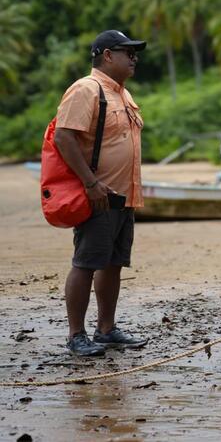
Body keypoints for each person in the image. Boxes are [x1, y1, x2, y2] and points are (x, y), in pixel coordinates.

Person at [53, 30, 149, 356]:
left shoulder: (123, 93)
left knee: (113, 264)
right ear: (107, 55)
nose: (134, 58)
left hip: (124, 196)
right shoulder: (86, 89)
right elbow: (64, 137)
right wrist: (90, 184)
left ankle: (106, 329)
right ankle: (76, 335)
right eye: (128, 52)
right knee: (86, 263)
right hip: (99, 194)